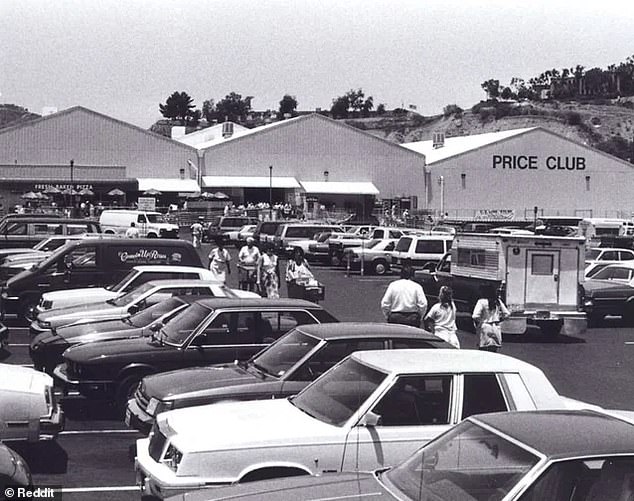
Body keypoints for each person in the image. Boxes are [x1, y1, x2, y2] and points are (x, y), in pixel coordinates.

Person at [472, 284, 510, 352]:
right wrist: (500, 319)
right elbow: (507, 313)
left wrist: (481, 321)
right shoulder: (497, 301)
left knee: (483, 350)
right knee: (493, 351)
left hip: (485, 327)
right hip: (496, 327)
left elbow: (475, 316)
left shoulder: (481, 301)